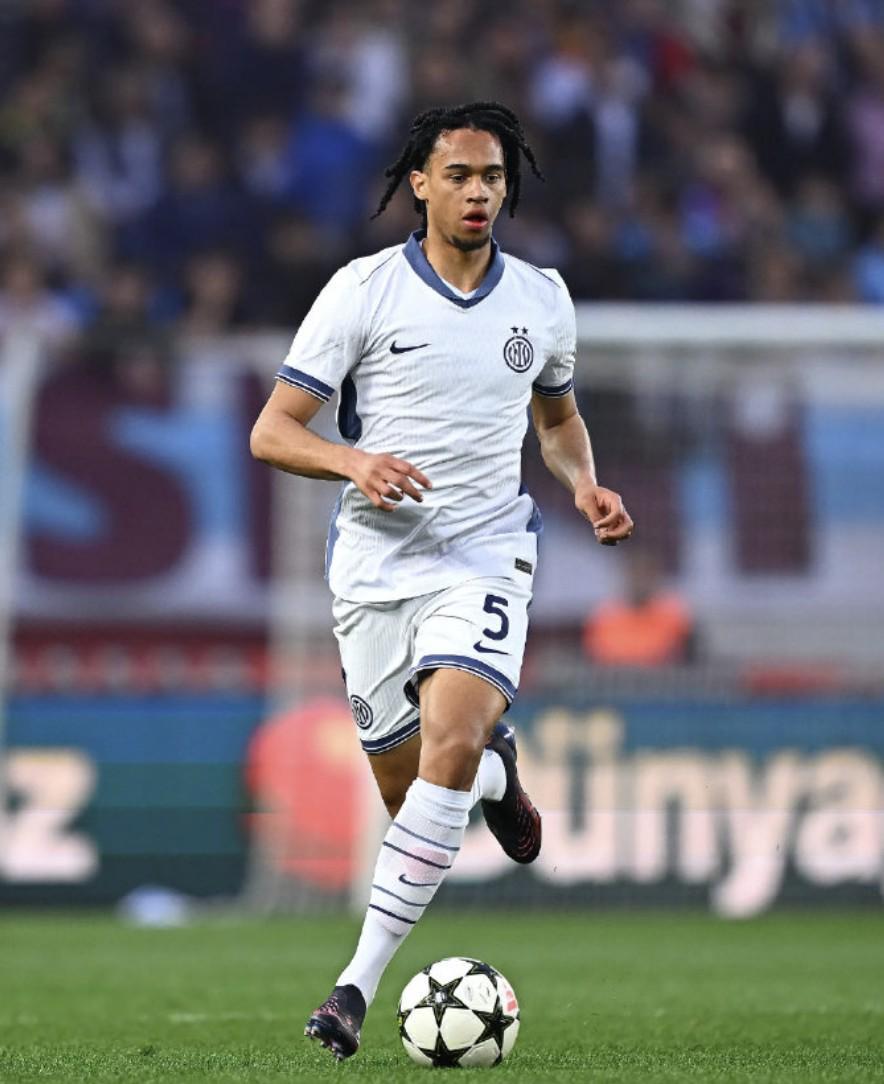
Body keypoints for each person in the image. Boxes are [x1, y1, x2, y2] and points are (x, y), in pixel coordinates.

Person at [249, 100, 633, 1061]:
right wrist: (353, 462)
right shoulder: (363, 291)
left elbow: (556, 421)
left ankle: (353, 987)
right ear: (419, 184)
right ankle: (501, 774)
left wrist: (583, 484)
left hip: (485, 551)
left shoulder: (541, 298)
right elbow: (274, 431)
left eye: (492, 177)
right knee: (415, 788)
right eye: (458, 175)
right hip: (375, 567)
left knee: (450, 743)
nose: (477, 193)